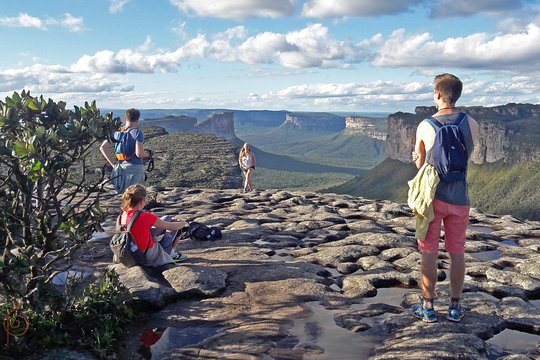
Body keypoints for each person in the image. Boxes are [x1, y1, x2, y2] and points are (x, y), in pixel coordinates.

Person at [410, 73, 479, 323]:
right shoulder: (471, 123)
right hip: (460, 198)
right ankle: (455, 307)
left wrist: (420, 158)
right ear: (457, 95)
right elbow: (467, 155)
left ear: (438, 94)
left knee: (429, 252)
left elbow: (420, 164)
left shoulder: (425, 125)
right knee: (456, 251)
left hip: (433, 198)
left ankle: (427, 307)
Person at [118, 184, 188, 266]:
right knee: (176, 226)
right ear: (142, 200)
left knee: (167, 218)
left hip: (128, 252)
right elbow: (172, 227)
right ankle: (171, 253)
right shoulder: (145, 216)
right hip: (144, 256)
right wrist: (183, 223)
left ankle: (171, 252)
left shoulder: (122, 215)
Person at [100, 108, 151, 193]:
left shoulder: (117, 132)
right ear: (137, 120)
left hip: (120, 168)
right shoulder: (137, 133)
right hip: (135, 168)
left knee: (123, 196)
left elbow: (103, 147)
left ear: (125, 118)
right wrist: (148, 154)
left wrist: (113, 164)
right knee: (135, 197)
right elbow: (139, 154)